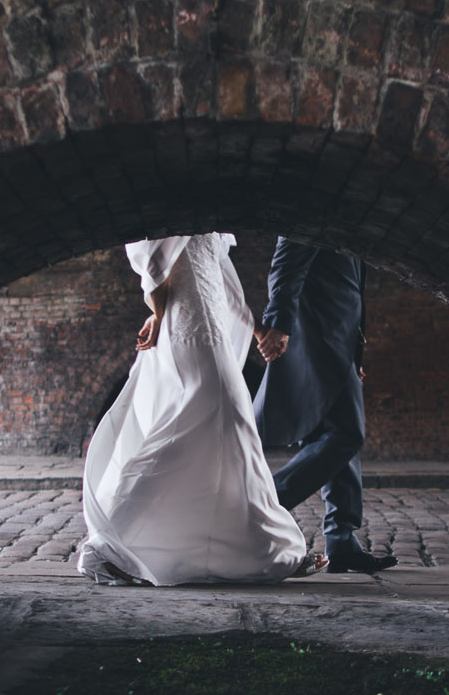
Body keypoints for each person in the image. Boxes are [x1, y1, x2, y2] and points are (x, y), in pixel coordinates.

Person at [77, 234, 325, 586]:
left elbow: (222, 277)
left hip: (212, 327)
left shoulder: (206, 211)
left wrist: (256, 330)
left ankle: (266, 551)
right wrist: (158, 313)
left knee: (221, 431)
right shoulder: (174, 199)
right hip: (187, 325)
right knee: (206, 424)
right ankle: (107, 547)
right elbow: (152, 258)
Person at [252, 237, 398, 574]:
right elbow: (286, 265)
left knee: (336, 434)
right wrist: (279, 323)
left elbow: (352, 289)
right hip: (317, 340)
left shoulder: (347, 214)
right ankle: (261, 504)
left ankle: (342, 539)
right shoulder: (313, 202)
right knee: (346, 434)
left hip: (339, 342)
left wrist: (354, 354)